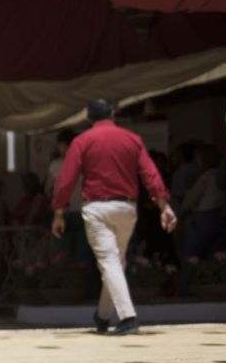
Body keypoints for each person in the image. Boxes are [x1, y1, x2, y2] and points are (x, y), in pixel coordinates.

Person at [51, 98, 176, 334]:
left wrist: (59, 212)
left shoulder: (82, 141)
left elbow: (66, 180)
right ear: (113, 114)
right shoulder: (132, 139)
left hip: (96, 208)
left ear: (89, 119)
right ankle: (103, 315)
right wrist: (164, 206)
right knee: (116, 263)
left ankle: (128, 316)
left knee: (109, 262)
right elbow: (150, 174)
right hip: (127, 209)